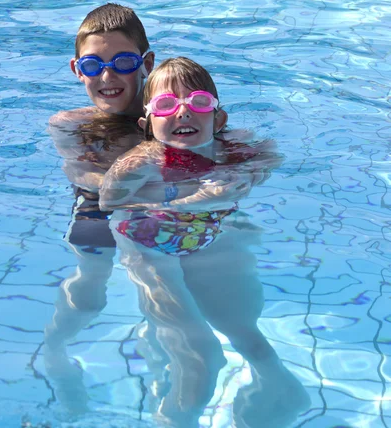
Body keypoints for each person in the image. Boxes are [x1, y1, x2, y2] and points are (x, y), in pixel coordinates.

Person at [99, 58, 310, 427]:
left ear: (219, 119)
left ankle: (282, 386)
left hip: (207, 237)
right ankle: (177, 419)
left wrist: (247, 175)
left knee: (241, 325)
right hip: (149, 242)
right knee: (201, 352)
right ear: (147, 125)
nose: (183, 113)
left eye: (198, 103)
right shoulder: (144, 160)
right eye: (166, 105)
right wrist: (193, 202)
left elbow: (272, 156)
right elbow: (108, 201)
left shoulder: (231, 151)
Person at [44, 3, 154, 413]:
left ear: (147, 62)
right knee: (89, 289)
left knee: (163, 291)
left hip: (162, 211)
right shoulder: (70, 123)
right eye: (93, 65)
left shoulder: (175, 116)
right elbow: (89, 181)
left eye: (122, 62)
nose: (107, 77)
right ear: (77, 69)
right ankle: (55, 352)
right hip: (97, 212)